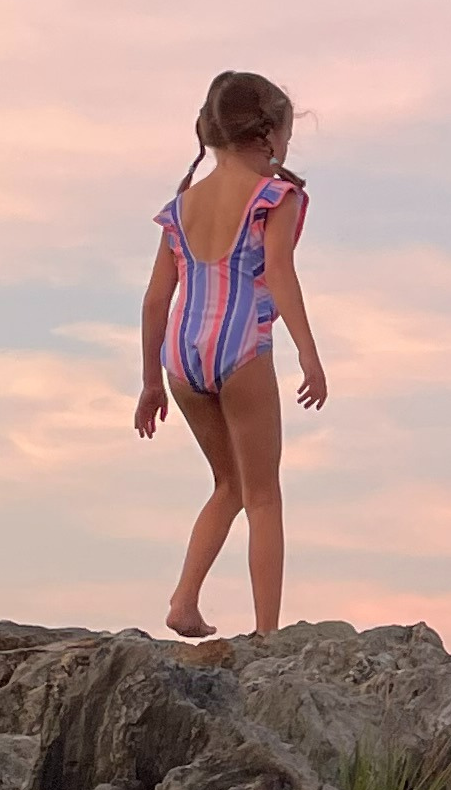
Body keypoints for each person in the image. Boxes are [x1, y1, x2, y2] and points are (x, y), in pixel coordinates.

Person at [135, 70, 328, 638]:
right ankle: (268, 635)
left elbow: (155, 299)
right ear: (268, 134)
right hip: (241, 345)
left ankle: (183, 601)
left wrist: (150, 381)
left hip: (181, 355)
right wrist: (308, 356)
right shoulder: (274, 197)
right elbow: (281, 277)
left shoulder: (182, 207)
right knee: (263, 496)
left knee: (228, 485)